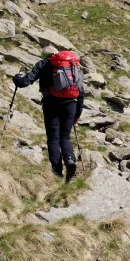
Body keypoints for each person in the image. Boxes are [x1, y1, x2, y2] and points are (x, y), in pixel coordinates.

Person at [14, 46, 86, 181]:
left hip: (51, 104)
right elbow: (81, 91)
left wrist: (17, 78)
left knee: (53, 138)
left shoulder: (43, 64)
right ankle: (70, 160)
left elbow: (25, 82)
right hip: (71, 104)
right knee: (65, 137)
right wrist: (77, 114)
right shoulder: (70, 65)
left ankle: (57, 171)